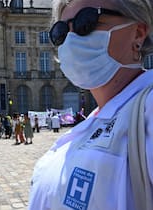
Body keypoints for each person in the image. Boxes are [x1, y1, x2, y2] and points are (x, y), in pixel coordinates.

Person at [29, 1, 153, 210]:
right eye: (61, 32)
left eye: (85, 22)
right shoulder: (97, 118)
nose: (71, 40)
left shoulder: (148, 108)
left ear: (138, 33)